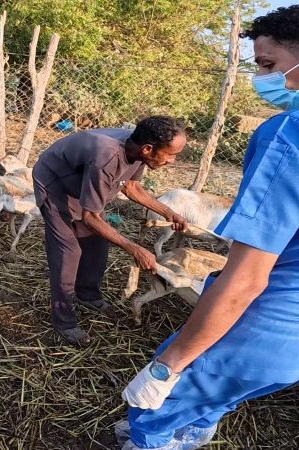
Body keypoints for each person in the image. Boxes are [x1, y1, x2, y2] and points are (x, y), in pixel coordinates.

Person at [119, 5, 299, 449]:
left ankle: (158, 436)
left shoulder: (286, 138)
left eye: (268, 66)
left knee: (155, 403)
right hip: (289, 349)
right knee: (221, 393)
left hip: (274, 318)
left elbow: (246, 278)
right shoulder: (105, 154)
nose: (262, 79)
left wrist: (169, 366)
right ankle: (191, 431)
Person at [32, 117, 187, 345]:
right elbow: (90, 217)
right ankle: (64, 321)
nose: (173, 161)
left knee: (96, 244)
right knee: (69, 253)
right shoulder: (107, 158)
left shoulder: (137, 151)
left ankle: (88, 295)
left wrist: (167, 211)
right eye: (171, 154)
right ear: (148, 149)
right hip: (54, 184)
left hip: (81, 185)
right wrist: (134, 249)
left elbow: (132, 187)